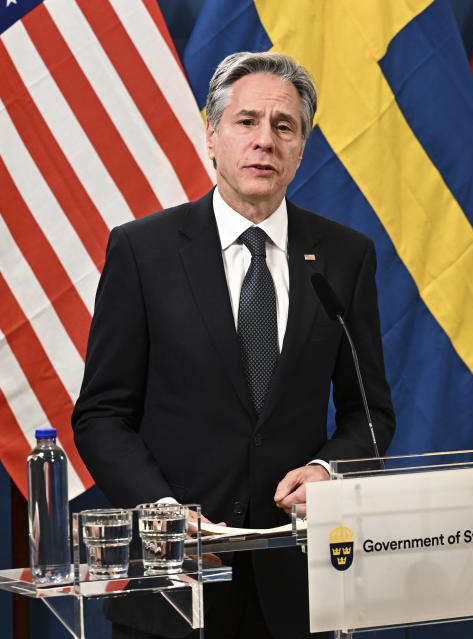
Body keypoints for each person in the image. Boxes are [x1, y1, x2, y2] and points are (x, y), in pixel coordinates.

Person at [72, 51, 396, 638]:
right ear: (212, 137)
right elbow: (101, 415)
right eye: (246, 122)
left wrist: (329, 469)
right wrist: (160, 512)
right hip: (173, 584)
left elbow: (369, 413)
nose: (264, 141)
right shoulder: (143, 252)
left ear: (302, 148)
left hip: (297, 587)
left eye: (284, 126)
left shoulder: (345, 258)